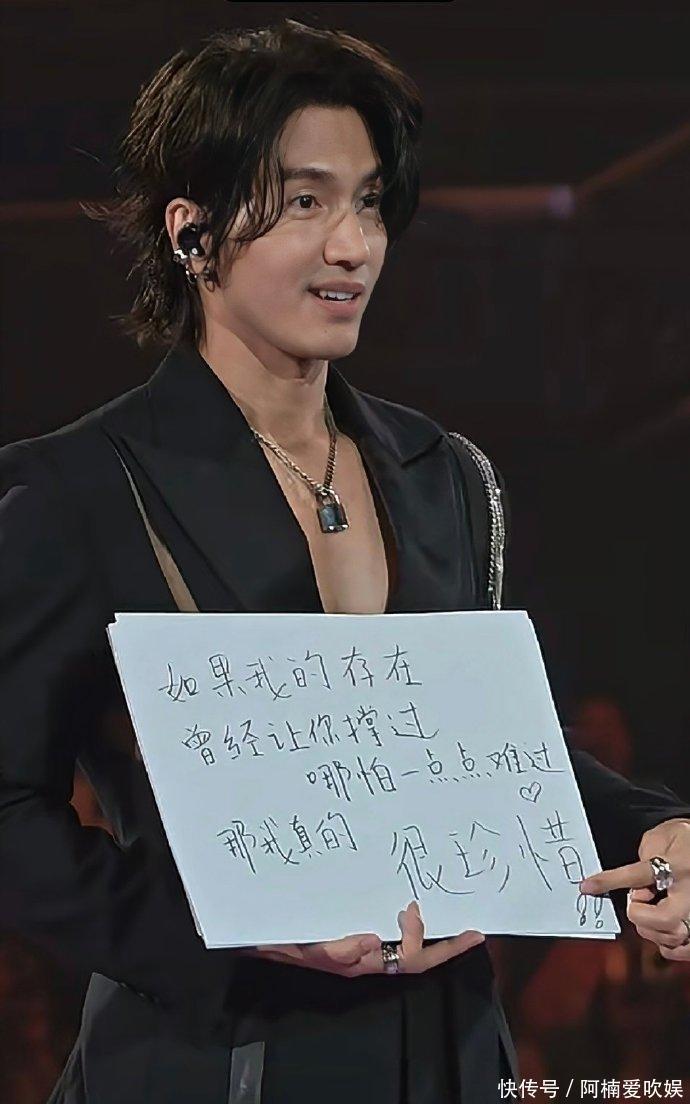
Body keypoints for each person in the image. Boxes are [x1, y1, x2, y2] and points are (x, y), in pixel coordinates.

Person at [1, 19, 689, 1104]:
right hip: (218, 1059)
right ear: (193, 233)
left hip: (451, 1054)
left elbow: (486, 752)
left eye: (367, 203)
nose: (353, 245)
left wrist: (653, 825)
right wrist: (223, 937)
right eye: (305, 202)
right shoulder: (79, 490)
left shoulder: (445, 473)